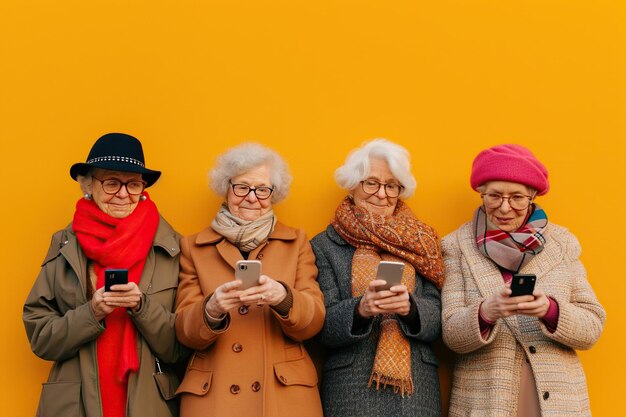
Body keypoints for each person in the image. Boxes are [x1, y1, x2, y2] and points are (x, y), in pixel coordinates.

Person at [23, 133, 188, 417]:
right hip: (75, 405)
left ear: (143, 188)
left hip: (149, 404)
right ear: (88, 185)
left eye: (133, 184)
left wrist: (141, 306)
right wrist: (92, 312)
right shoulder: (64, 244)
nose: (123, 194)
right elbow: (41, 338)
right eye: (112, 182)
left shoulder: (172, 248)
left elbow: (181, 348)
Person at [441, 144, 606, 416]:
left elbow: (592, 327)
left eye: (517, 197)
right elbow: (452, 334)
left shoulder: (562, 243)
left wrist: (550, 310)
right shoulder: (456, 245)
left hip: (558, 400)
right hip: (486, 399)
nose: (505, 207)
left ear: (532, 196)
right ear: (481, 194)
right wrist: (485, 313)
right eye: (494, 196)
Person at [174, 143, 325, 417]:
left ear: (274, 194)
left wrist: (283, 297)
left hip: (284, 397)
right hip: (216, 398)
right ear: (226, 188)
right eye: (241, 187)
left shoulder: (297, 242)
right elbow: (184, 330)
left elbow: (314, 322)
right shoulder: (193, 247)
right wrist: (211, 309)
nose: (252, 197)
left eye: (262, 190)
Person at [310, 139, 445, 417]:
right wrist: (360, 309)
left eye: (391, 185)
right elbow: (320, 327)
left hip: (416, 389)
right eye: (371, 183)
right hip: (351, 388)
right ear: (352, 185)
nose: (381, 194)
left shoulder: (422, 241)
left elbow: (441, 317)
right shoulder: (324, 245)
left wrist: (411, 308)